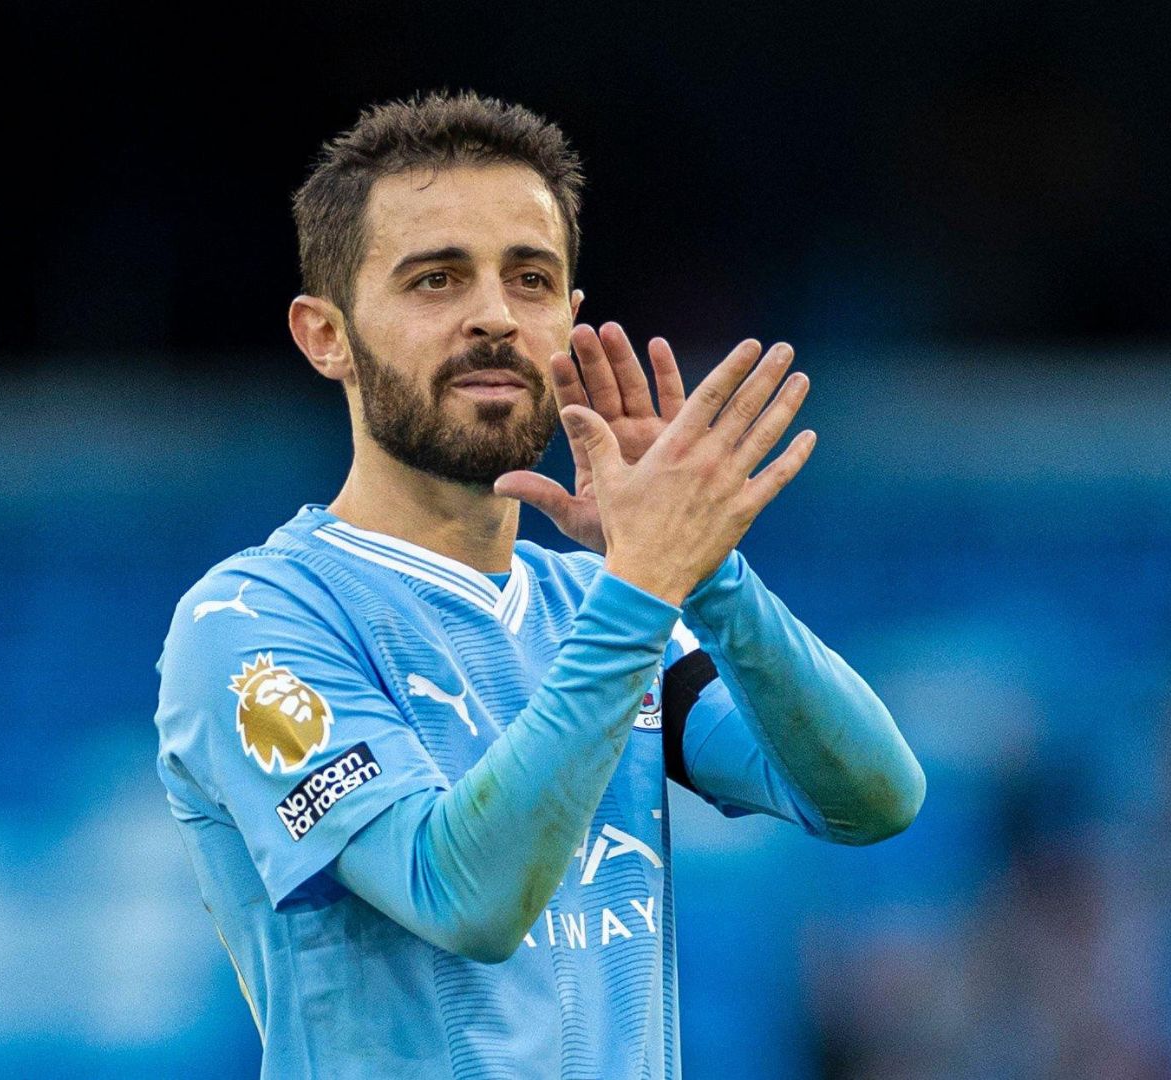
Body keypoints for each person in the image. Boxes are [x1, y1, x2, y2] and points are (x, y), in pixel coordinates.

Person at [153, 90, 925, 1079]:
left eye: (528, 279)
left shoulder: (592, 604)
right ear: (324, 334)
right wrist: (642, 584)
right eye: (434, 280)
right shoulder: (253, 623)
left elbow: (870, 796)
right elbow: (460, 898)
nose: (491, 317)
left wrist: (705, 572)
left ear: (566, 318)